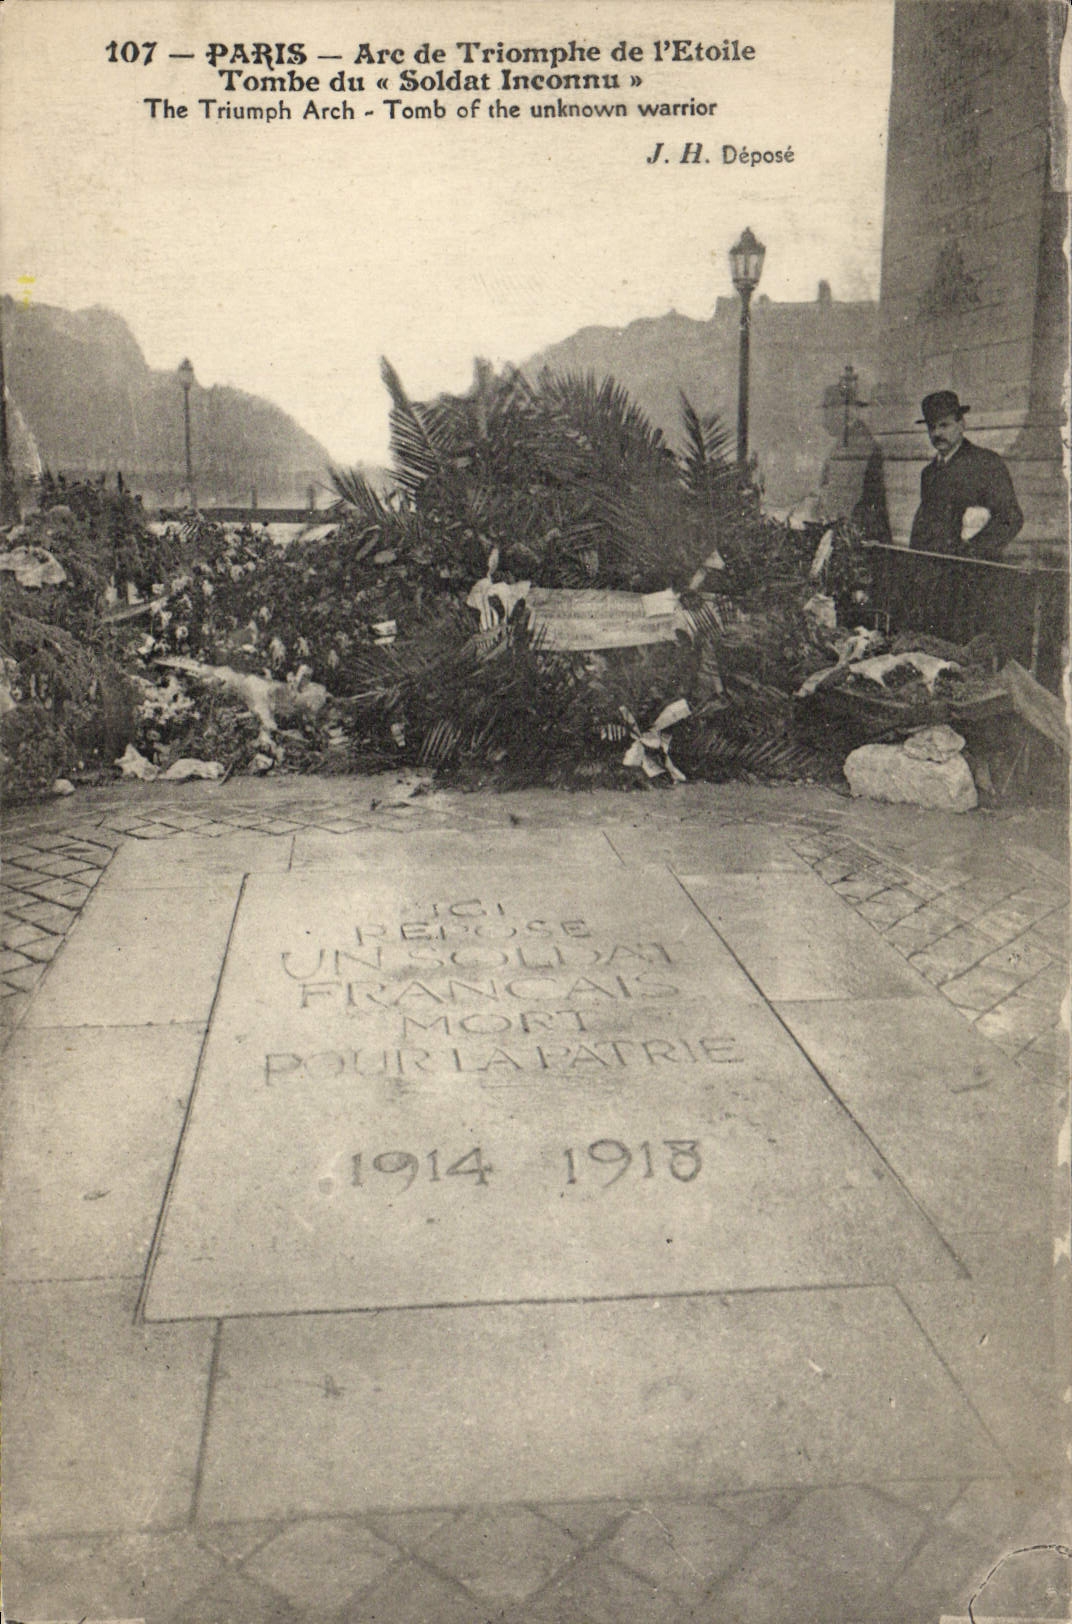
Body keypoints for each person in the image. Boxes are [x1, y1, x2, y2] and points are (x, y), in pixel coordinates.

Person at [909, 390, 1023, 559]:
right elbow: (923, 527)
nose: (937, 434)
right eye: (931, 427)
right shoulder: (929, 473)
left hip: (972, 573)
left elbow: (1011, 519)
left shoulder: (986, 463)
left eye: (944, 425)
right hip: (934, 573)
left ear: (962, 424)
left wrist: (972, 552)